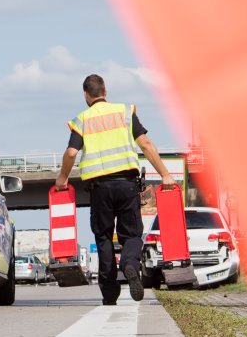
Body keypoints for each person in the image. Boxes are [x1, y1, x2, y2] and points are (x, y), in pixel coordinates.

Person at [54, 74, 174, 305]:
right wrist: (165, 175)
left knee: (103, 238)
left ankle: (109, 294)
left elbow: (71, 153)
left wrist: (62, 178)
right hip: (127, 185)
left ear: (86, 95)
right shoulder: (125, 112)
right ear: (105, 92)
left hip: (99, 189)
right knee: (131, 234)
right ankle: (129, 264)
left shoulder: (82, 120)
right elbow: (146, 144)